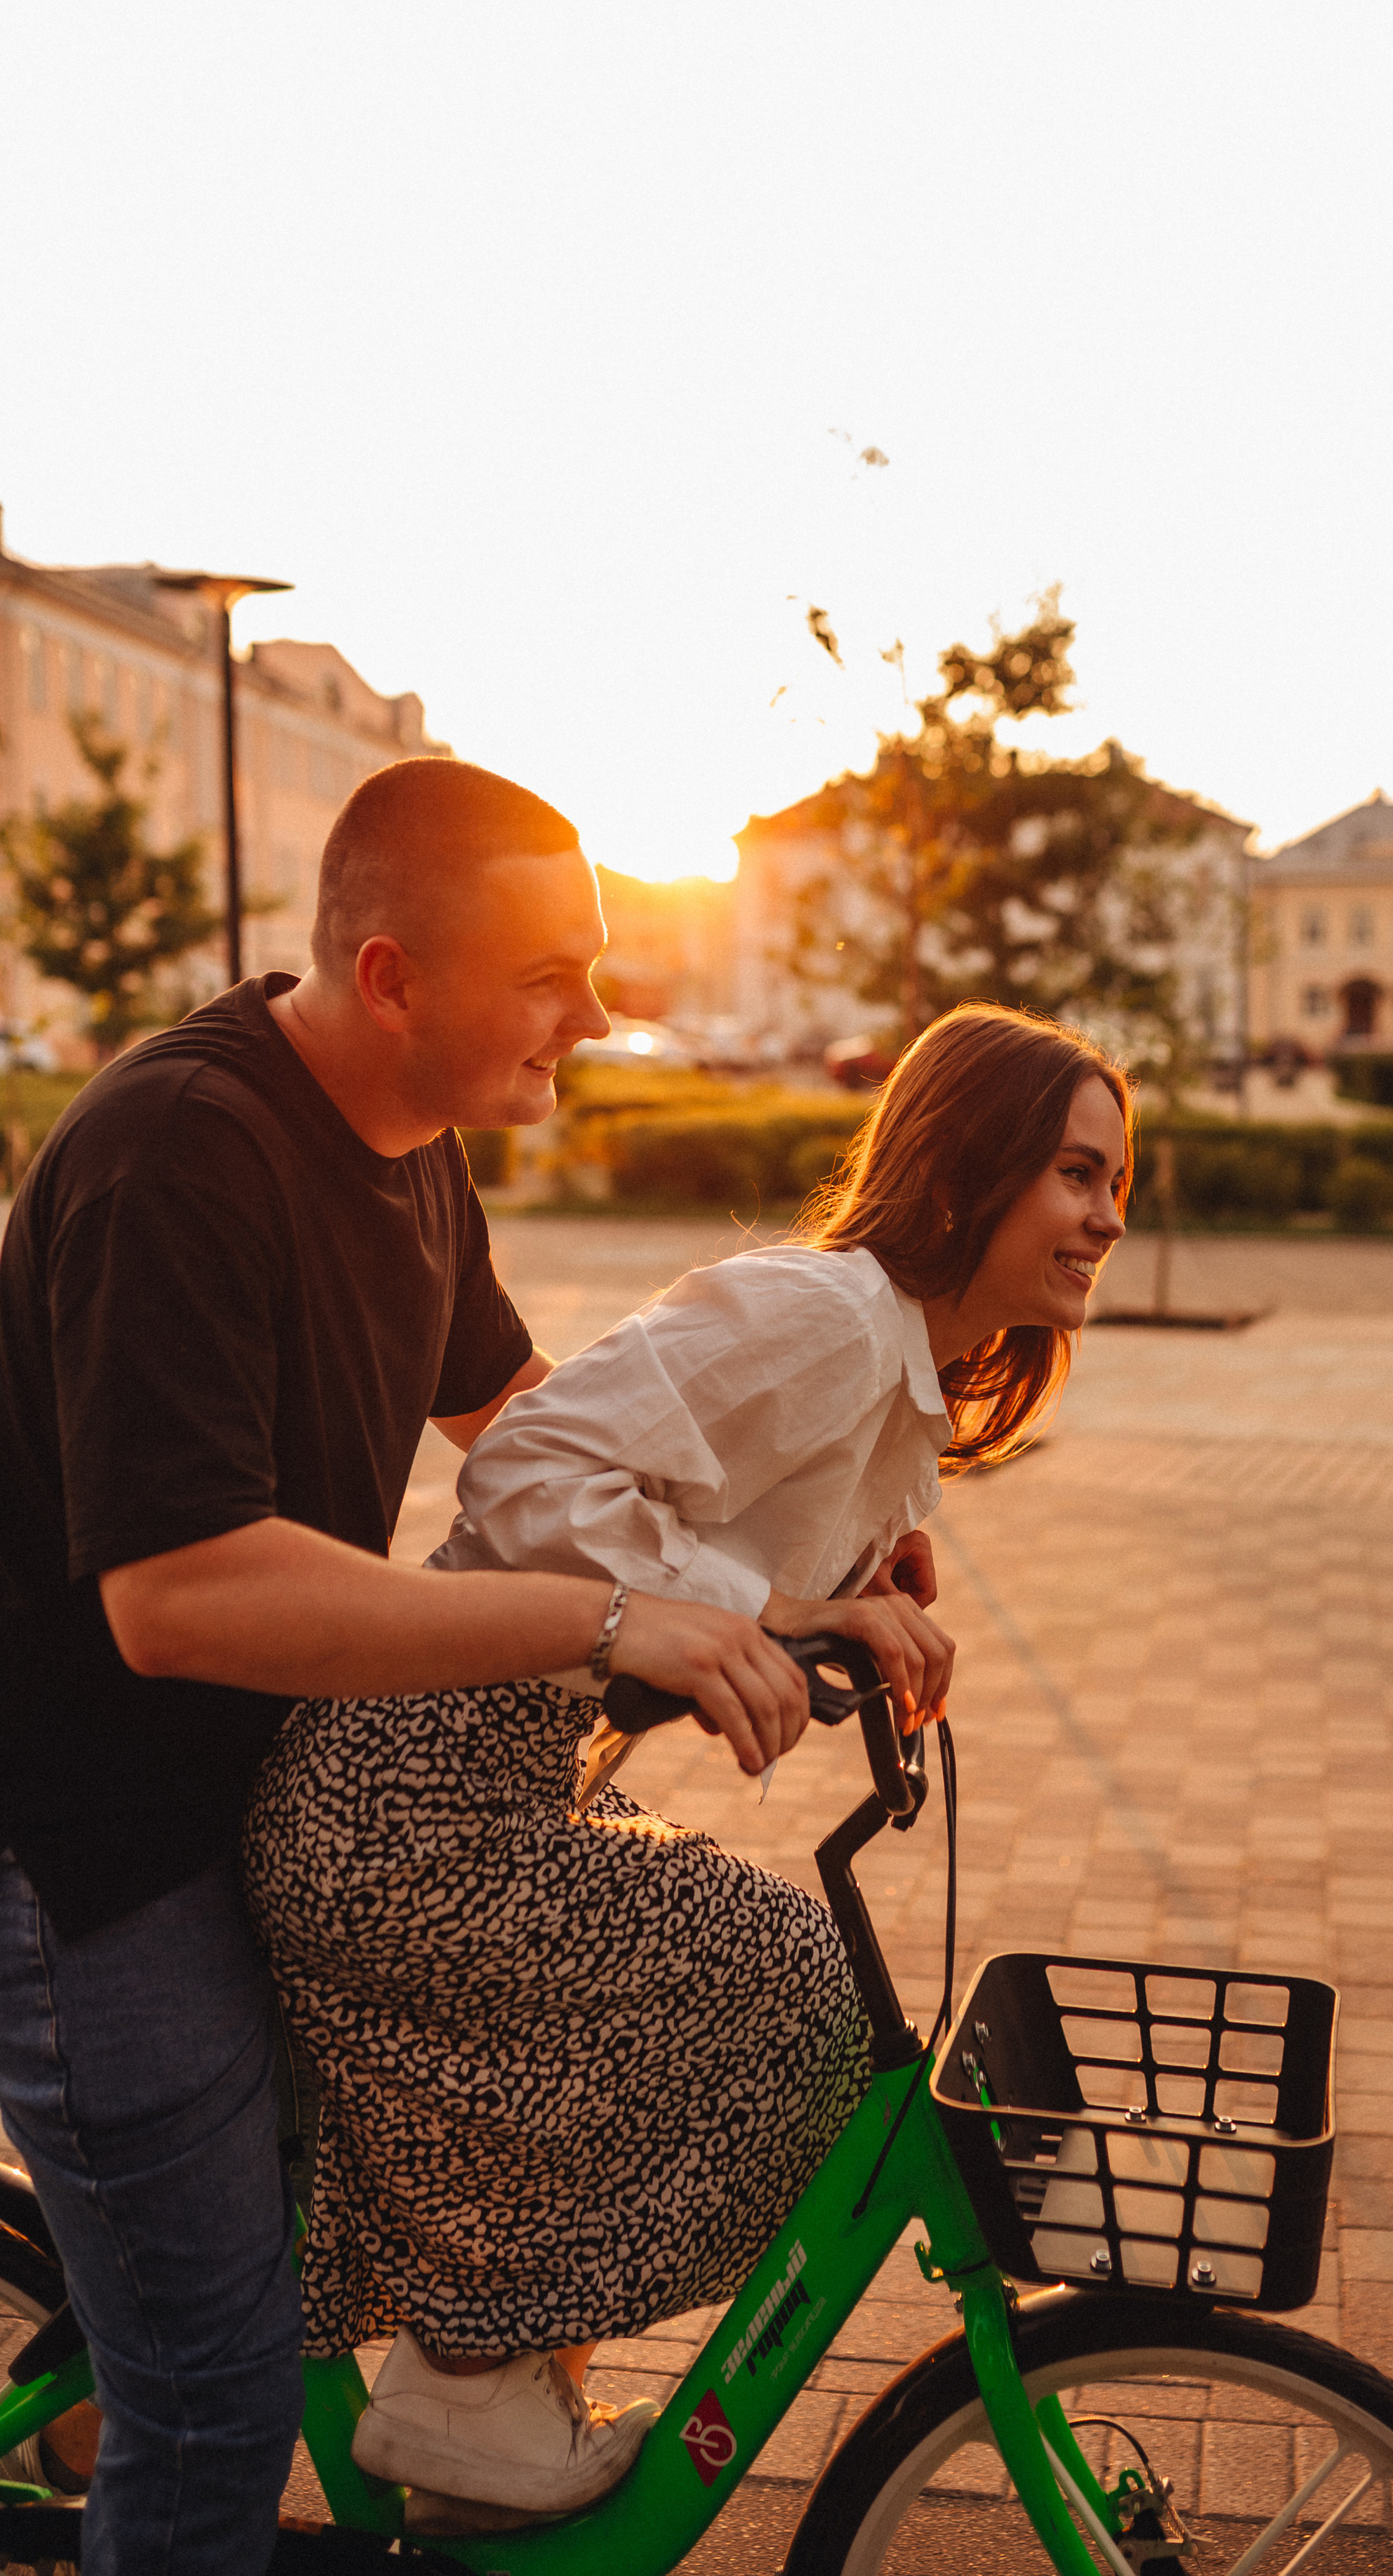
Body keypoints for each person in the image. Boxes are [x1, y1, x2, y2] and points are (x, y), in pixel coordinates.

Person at [0, 758, 835, 2576]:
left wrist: (776, 1588)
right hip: (87, 1847)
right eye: (549, 976)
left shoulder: (409, 1142)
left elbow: (527, 1438)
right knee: (215, 2408)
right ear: (391, 978)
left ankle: (169, 2339)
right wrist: (616, 1623)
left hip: (263, 1795)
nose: (595, 1019)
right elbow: (181, 1596)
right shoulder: (178, 1156)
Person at [240, 1001, 1131, 2532]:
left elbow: (727, 1547)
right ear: (969, 1164)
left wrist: (848, 1603)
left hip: (497, 1781)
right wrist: (765, 1610)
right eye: (1071, 1172)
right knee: (776, 1971)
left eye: (1118, 1182)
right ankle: (466, 2380)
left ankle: (491, 2406)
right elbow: (523, 1470)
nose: (1105, 1217)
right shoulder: (828, 1318)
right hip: (401, 1797)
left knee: (754, 2002)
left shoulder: (897, 1370)